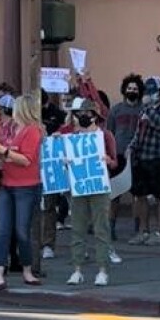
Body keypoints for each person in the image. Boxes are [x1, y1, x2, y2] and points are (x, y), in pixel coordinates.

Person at [0, 94, 44, 290]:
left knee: (22, 230)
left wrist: (4, 152)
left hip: (27, 186)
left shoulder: (33, 131)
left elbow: (27, 159)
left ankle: (27, 270)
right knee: (3, 230)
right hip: (7, 183)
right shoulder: (10, 129)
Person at [64, 98, 117, 286]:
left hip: (99, 186)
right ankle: (77, 269)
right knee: (77, 228)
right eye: (79, 115)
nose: (82, 118)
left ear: (95, 116)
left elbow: (115, 162)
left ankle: (103, 269)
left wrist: (107, 160)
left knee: (100, 228)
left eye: (87, 114)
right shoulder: (72, 137)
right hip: (79, 186)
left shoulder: (105, 136)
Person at [127, 76, 160, 246]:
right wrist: (131, 147)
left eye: (153, 92)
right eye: (147, 92)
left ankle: (159, 232)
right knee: (140, 195)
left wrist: (149, 110)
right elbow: (138, 130)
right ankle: (144, 230)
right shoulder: (144, 109)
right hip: (141, 156)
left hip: (158, 157)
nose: (149, 95)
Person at [106, 73, 144, 242]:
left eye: (135, 89)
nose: (132, 91)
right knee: (114, 194)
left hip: (138, 156)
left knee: (137, 195)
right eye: (129, 88)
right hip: (118, 156)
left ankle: (137, 229)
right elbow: (109, 133)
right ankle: (110, 227)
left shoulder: (144, 110)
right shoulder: (116, 110)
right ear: (124, 90)